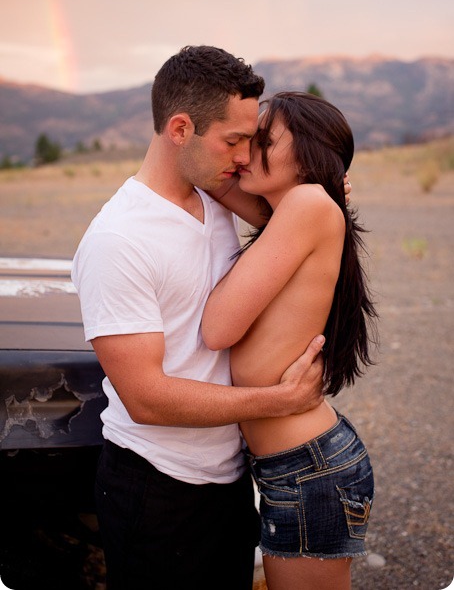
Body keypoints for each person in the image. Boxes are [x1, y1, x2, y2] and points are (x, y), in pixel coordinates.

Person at [72, 46, 331, 590]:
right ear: (180, 128)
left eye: (251, 141)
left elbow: (296, 219)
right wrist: (278, 401)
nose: (243, 156)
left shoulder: (216, 195)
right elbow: (144, 397)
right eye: (233, 141)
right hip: (158, 489)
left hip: (230, 478)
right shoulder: (118, 240)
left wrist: (322, 189)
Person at [202, 91, 378, 590]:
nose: (246, 152)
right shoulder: (301, 209)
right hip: (296, 464)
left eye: (263, 139)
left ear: (306, 152)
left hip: (309, 469)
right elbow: (212, 181)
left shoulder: (306, 203)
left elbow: (217, 329)